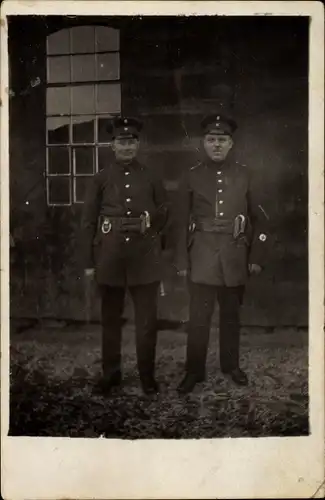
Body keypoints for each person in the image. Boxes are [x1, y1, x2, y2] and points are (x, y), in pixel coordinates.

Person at [175, 112, 270, 394]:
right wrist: (182, 260)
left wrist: (256, 257)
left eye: (222, 140)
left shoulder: (245, 174)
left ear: (231, 144)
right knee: (198, 318)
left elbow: (261, 218)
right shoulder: (191, 176)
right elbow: (180, 221)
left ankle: (231, 366)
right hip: (201, 256)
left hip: (234, 256)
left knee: (231, 316)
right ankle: (194, 371)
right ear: (203, 143)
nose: (217, 145)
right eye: (211, 139)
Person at [81, 117, 168, 396]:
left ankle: (147, 376)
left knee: (146, 322)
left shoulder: (152, 176)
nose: (127, 146)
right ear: (112, 145)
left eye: (131, 142)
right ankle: (111, 374)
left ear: (138, 145)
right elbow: (87, 221)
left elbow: (165, 213)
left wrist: (151, 220)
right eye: (122, 142)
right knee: (111, 320)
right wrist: (88, 262)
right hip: (110, 257)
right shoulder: (101, 178)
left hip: (144, 257)